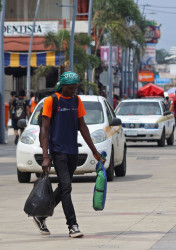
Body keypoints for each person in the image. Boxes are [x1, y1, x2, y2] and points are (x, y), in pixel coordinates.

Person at [37, 71, 104, 238]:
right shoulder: (51, 101)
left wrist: (94, 151)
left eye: (75, 88)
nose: (73, 90)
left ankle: (41, 215)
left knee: (63, 187)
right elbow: (44, 129)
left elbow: (83, 127)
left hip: (73, 150)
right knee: (67, 187)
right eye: (70, 88)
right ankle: (72, 225)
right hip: (58, 151)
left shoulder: (76, 100)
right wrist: (46, 156)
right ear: (63, 86)